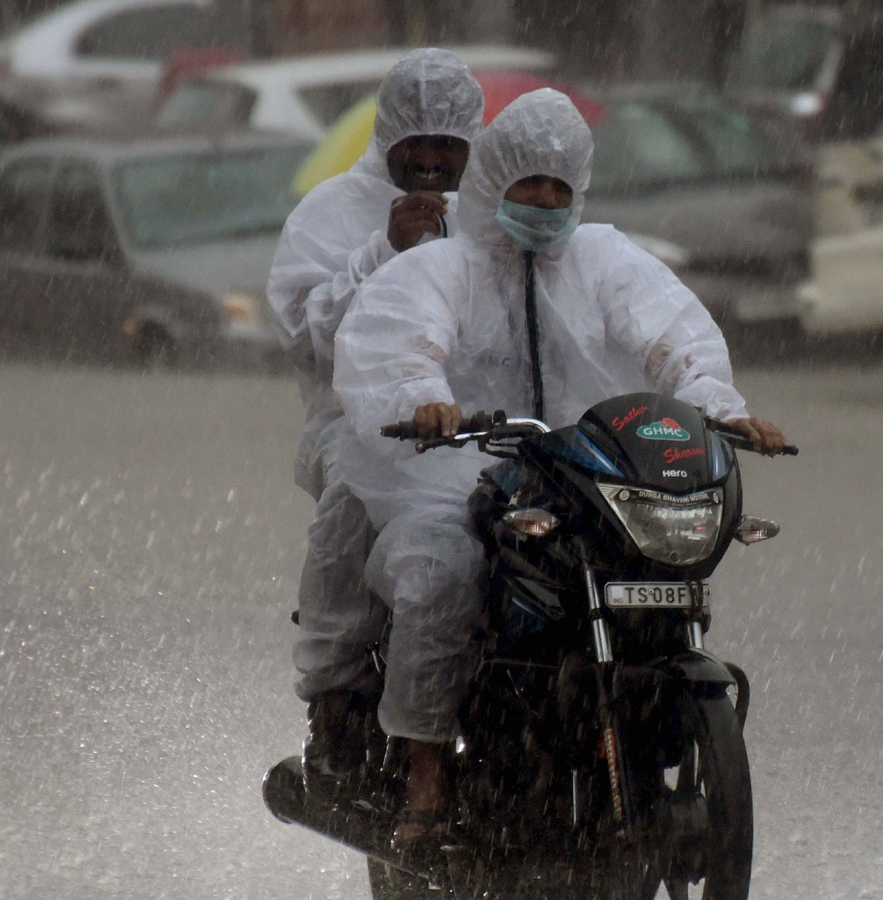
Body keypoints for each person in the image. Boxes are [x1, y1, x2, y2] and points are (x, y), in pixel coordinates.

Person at [332, 88, 786, 844]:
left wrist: (717, 406)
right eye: (528, 184)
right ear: (492, 183)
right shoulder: (445, 266)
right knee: (440, 571)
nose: (544, 201)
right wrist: (425, 399)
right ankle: (426, 770)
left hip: (586, 466)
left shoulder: (607, 260)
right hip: (458, 467)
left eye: (558, 187)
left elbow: (675, 337)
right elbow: (402, 338)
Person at [265, 48, 485, 779]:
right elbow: (306, 338)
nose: (430, 162)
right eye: (413, 146)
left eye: (446, 146)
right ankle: (335, 698)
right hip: (355, 424)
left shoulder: (496, 213)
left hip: (480, 424)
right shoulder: (329, 212)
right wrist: (384, 248)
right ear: (387, 139)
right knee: (349, 509)